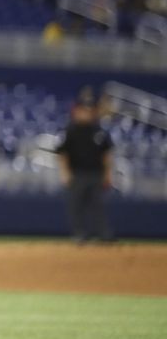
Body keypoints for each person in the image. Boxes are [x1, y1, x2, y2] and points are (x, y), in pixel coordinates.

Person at [55, 99, 115, 243]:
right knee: (76, 206)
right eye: (82, 110)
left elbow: (106, 155)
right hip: (77, 174)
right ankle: (79, 234)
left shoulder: (99, 131)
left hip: (96, 174)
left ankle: (103, 234)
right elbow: (63, 154)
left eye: (88, 111)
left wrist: (107, 174)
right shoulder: (71, 131)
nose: (85, 114)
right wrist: (65, 173)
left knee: (98, 206)